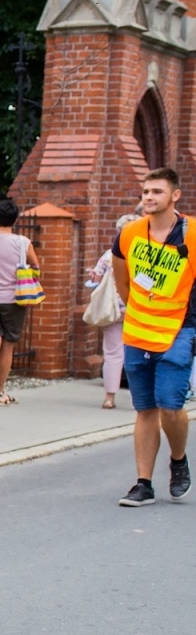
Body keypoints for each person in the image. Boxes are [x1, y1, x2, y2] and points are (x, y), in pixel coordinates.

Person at [112, 167, 194, 507]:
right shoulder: (130, 234)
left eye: (157, 191)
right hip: (138, 331)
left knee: (170, 407)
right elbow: (122, 281)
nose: (149, 197)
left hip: (179, 331)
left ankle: (178, 459)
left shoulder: (192, 234)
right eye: (146, 191)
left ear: (175, 195)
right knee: (145, 408)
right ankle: (143, 483)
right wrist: (141, 312)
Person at [0, 198, 39, 407]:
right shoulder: (22, 243)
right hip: (13, 299)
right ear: (16, 219)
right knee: (7, 346)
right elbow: (36, 267)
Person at [86, 214, 135, 409]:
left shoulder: (108, 256)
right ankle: (138, 398)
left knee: (113, 354)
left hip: (111, 309)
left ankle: (109, 397)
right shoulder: (143, 256)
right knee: (137, 355)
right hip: (136, 309)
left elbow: (95, 281)